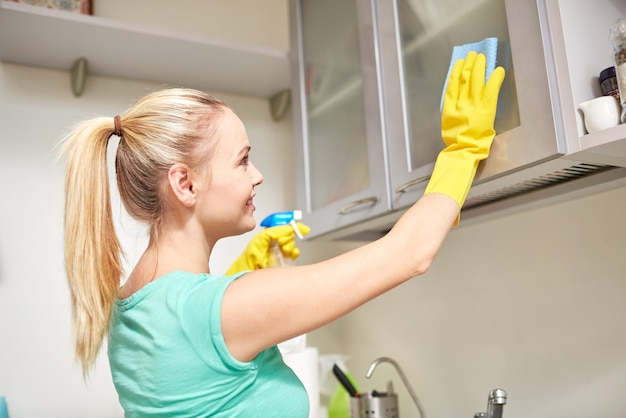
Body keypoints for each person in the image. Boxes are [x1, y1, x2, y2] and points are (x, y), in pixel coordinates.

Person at [59, 51, 504, 417]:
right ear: (185, 184)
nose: (258, 175)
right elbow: (409, 254)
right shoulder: (221, 311)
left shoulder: (128, 303)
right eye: (242, 160)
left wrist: (246, 269)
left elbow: (195, 353)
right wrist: (461, 153)